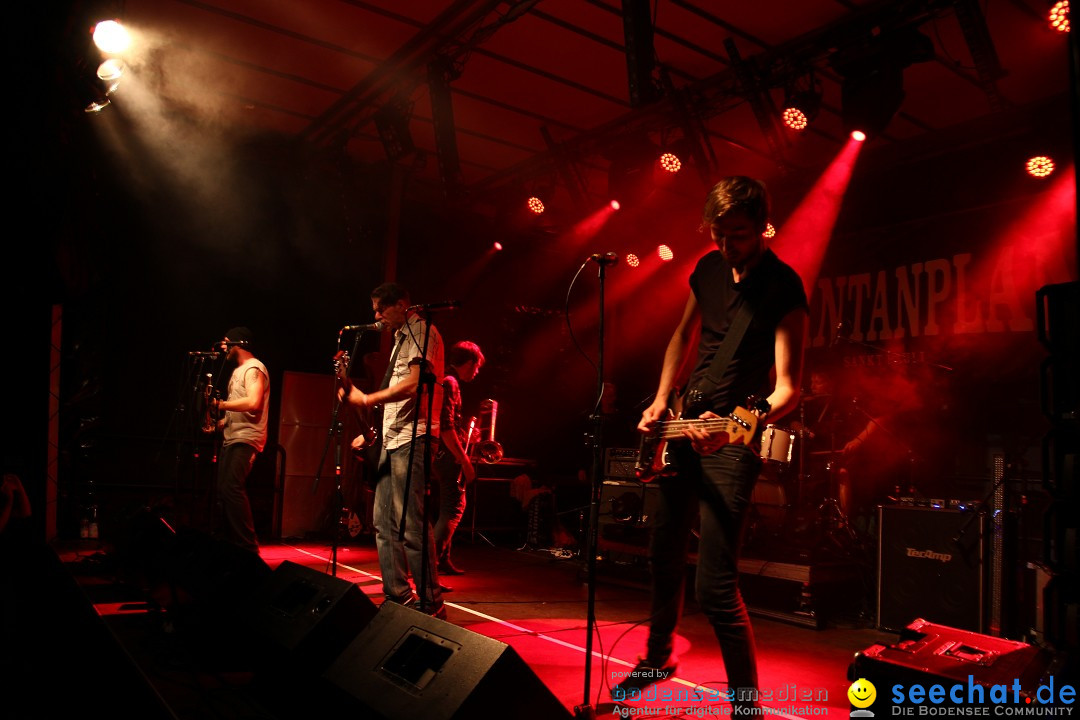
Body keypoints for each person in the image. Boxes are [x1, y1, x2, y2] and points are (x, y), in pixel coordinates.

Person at [617, 176, 808, 709]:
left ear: (763, 227)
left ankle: (745, 701)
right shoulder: (707, 268)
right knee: (661, 554)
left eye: (739, 235)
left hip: (733, 435)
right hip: (682, 423)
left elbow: (789, 386)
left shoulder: (784, 288)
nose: (727, 247)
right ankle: (658, 656)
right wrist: (660, 400)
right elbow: (684, 335)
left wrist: (737, 422)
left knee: (715, 587)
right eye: (719, 234)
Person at [340, 282, 446, 619]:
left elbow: (414, 384)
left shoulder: (422, 331)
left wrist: (368, 398)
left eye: (380, 308)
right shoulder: (401, 338)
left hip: (415, 438)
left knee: (410, 523)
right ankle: (398, 597)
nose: (376, 316)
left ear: (401, 303)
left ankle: (431, 603)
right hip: (392, 438)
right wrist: (350, 390)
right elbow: (390, 395)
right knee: (383, 522)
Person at [206, 326, 268, 555]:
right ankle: (230, 544)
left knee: (231, 487)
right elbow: (240, 410)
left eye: (226, 342)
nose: (223, 347)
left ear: (238, 344)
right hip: (234, 437)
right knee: (223, 490)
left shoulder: (254, 368)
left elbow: (253, 402)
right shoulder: (239, 371)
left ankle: (248, 548)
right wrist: (220, 423)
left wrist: (220, 405)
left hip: (246, 438)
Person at [432, 341, 483, 577]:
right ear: (470, 363)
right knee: (453, 509)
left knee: (450, 507)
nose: (477, 372)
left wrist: (468, 436)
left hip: (442, 455)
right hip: (448, 458)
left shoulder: (444, 379)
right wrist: (464, 461)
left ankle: (442, 561)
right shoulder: (450, 382)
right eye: (477, 367)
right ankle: (430, 567)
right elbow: (445, 427)